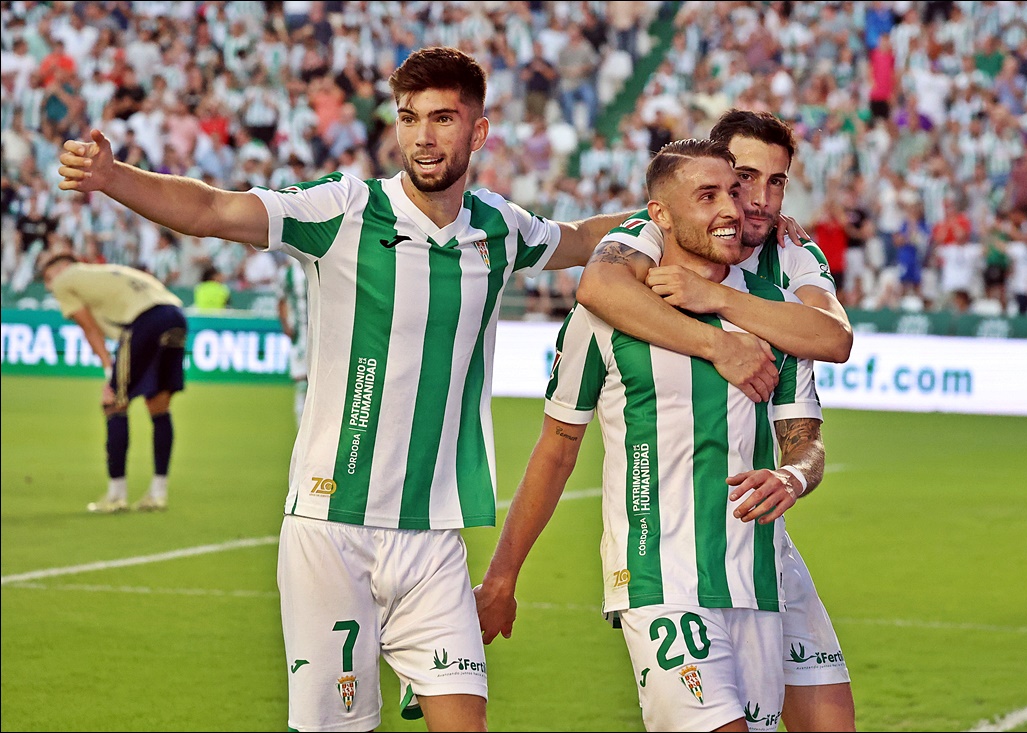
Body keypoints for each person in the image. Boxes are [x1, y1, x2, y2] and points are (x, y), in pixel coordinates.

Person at [55, 46, 681, 733]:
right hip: (331, 528)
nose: (423, 135)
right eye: (409, 117)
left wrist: (671, 216)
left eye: (443, 118)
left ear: (478, 130)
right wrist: (114, 176)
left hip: (434, 534)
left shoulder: (499, 230)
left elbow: (582, 238)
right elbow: (214, 210)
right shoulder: (345, 209)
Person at [476, 139, 826, 732]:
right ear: (658, 215)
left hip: (756, 583)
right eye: (707, 196)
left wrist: (793, 474)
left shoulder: (772, 310)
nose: (731, 210)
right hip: (656, 579)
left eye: (734, 194)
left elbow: (807, 441)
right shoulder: (602, 316)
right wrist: (503, 576)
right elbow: (558, 448)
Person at [575, 110, 856, 731]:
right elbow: (598, 286)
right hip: (667, 550)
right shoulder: (645, 231)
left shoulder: (794, 249)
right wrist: (718, 344)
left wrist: (722, 301)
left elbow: (832, 339)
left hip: (756, 545)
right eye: (742, 178)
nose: (755, 200)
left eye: (775, 183)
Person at [38, 251, 188, 514]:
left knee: (113, 403)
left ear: (60, 269)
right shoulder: (106, 273)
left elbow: (89, 329)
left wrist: (109, 370)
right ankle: (158, 493)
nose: (50, 286)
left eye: (48, 278)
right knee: (158, 406)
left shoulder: (64, 281)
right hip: (175, 316)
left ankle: (116, 495)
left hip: (144, 321)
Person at [276, 258, 310, 426]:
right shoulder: (287, 273)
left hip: (320, 334)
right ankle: (301, 428)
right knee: (302, 384)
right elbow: (281, 300)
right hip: (299, 335)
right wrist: (285, 324)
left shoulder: (316, 266)